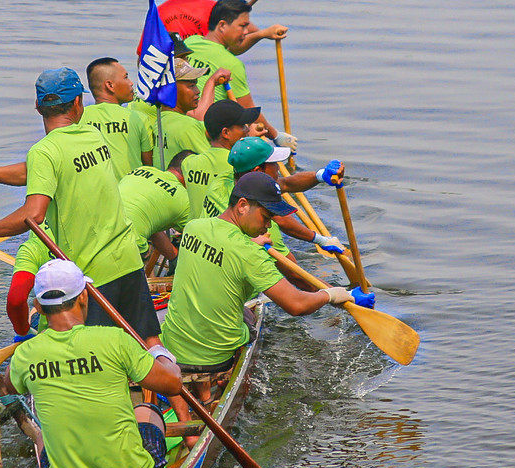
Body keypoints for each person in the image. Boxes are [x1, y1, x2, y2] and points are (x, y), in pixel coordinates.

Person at [0, 68, 159, 343]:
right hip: (128, 259)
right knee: (149, 340)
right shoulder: (93, 136)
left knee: (91, 353)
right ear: (77, 103)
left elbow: (34, 214)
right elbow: (38, 173)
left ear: (38, 107)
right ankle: (169, 378)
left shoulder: (45, 151)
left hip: (92, 276)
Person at [159, 173, 373, 437]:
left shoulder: (194, 227)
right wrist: (334, 295)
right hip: (214, 358)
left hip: (172, 345)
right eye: (266, 217)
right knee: (250, 315)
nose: (268, 228)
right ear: (242, 206)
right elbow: (296, 305)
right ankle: (209, 392)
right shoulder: (249, 255)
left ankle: (194, 402)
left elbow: (227, 246)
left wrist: (250, 242)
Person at [0, 259, 183, 468]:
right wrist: (160, 353)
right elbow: (173, 383)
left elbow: (9, 384)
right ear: (84, 296)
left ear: (37, 307)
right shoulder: (115, 340)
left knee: (41, 438)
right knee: (147, 410)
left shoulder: (25, 356)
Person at [182, 0, 290, 143]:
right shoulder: (233, 64)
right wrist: (276, 136)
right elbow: (250, 112)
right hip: (207, 135)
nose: (246, 31)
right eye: (242, 26)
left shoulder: (190, 42)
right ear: (222, 25)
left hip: (184, 123)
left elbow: (225, 51)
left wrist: (263, 34)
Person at [226, 135, 346, 263]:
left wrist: (321, 175)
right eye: (273, 163)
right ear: (257, 171)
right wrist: (321, 240)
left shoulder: (227, 181)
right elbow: (295, 275)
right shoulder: (261, 226)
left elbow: (286, 184)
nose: (279, 167)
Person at [79, 57, 155, 176]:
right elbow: (150, 168)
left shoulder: (78, 118)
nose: (131, 82)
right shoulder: (137, 118)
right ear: (110, 85)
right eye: (126, 77)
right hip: (131, 192)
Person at [120, 152, 194, 264]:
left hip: (97, 231)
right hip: (129, 245)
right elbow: (197, 239)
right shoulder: (183, 198)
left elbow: (151, 227)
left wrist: (174, 258)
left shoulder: (143, 169)